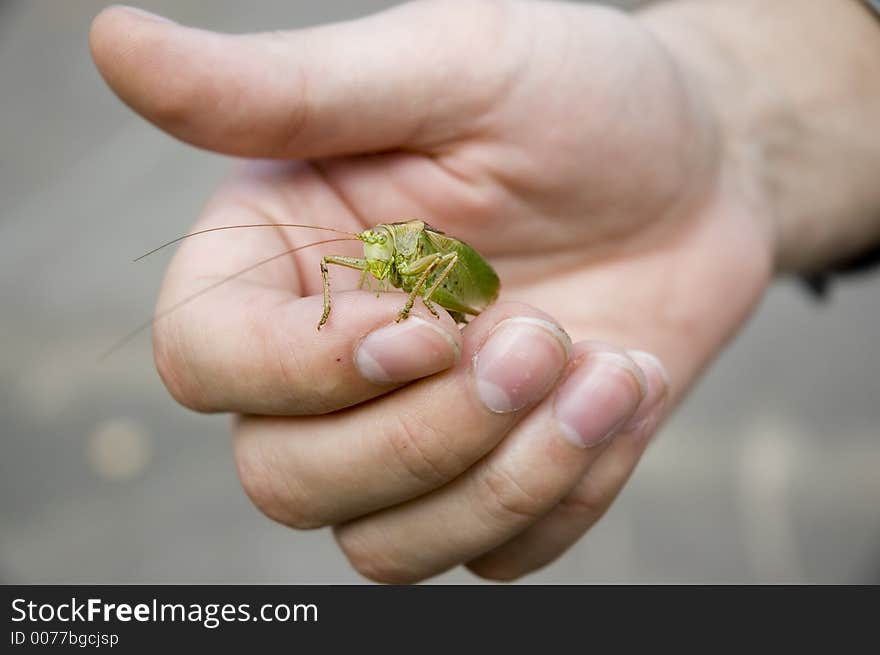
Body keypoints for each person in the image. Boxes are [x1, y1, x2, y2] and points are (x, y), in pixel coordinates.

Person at [89, 0, 880, 583]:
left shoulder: (414, 250)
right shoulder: (365, 251)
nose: (365, 254)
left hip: (465, 278)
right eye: (366, 252)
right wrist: (727, 108)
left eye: (374, 246)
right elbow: (354, 270)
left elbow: (425, 269)